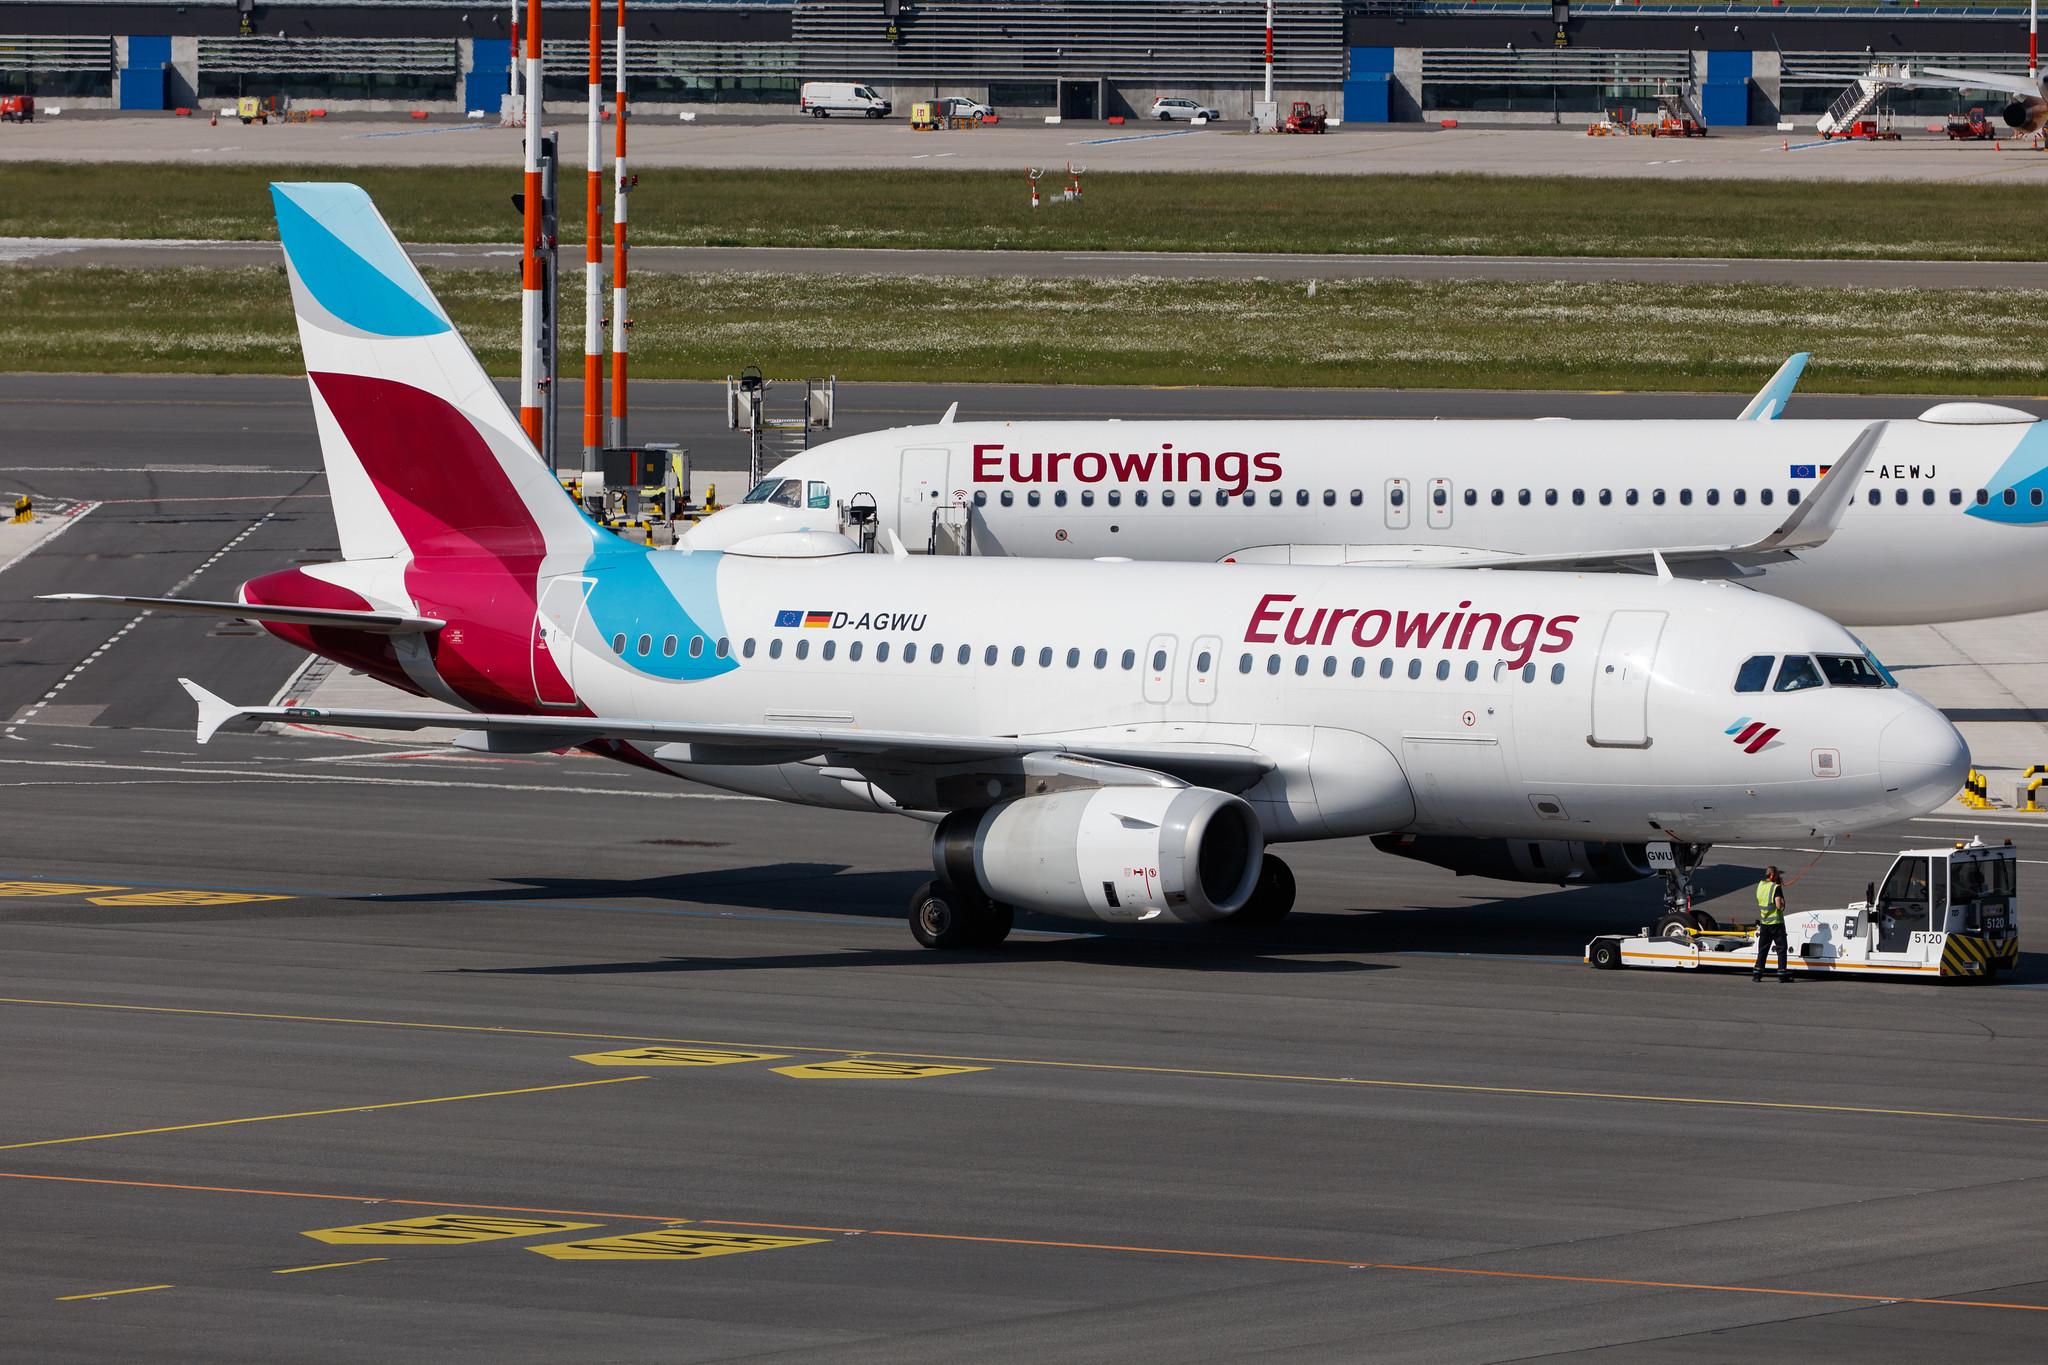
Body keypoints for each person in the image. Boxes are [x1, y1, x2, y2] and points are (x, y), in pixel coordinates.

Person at [1753, 866, 1791, 982]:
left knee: (1763, 949)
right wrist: (1783, 905)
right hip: (1776, 923)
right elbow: (1778, 905)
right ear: (1772, 875)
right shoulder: (1776, 888)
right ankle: (1782, 974)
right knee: (1781, 949)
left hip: (1764, 923)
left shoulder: (1760, 885)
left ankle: (1757, 974)